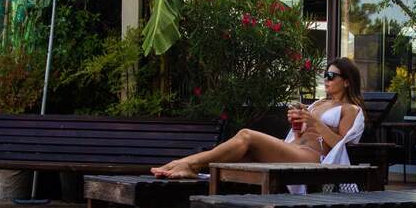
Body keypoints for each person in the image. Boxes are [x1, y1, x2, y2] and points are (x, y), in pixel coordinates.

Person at [151, 57, 366, 179]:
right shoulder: (318, 104)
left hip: (312, 159)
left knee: (246, 136)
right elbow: (301, 135)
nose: (326, 79)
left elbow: (341, 146)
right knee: (240, 158)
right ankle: (191, 168)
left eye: (331, 76)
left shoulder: (350, 109)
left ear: (347, 81)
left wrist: (315, 123)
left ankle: (189, 163)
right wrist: (298, 124)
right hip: (293, 149)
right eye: (325, 75)